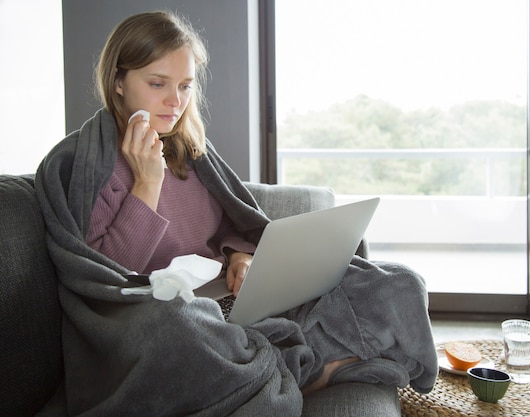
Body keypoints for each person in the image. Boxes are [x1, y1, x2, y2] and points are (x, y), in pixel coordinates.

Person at [35, 10, 437, 416]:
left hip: (228, 302)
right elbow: (107, 279)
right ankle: (308, 368)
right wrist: (146, 183)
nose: (175, 101)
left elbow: (235, 223)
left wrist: (240, 256)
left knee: (398, 282)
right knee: (181, 328)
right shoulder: (84, 162)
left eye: (185, 86)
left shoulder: (191, 151)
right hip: (164, 317)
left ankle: (286, 365)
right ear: (119, 82)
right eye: (157, 84)